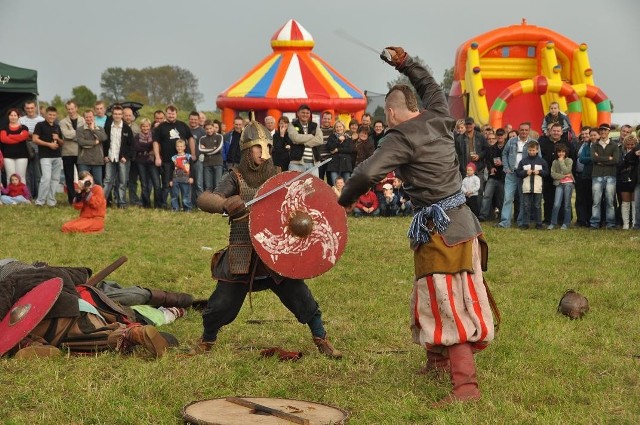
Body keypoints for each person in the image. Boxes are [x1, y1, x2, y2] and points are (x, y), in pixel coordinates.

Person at [338, 47, 494, 406]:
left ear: (391, 112)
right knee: (434, 296)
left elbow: (367, 173)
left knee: (450, 303)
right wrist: (405, 62)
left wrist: (344, 200)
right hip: (460, 223)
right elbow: (428, 85)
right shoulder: (439, 114)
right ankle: (438, 363)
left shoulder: (399, 136)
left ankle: (465, 388)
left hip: (442, 231)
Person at [195, 121, 341, 358]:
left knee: (301, 298)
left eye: (267, 148)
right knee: (221, 305)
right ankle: (207, 340)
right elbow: (204, 198)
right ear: (246, 150)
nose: (264, 154)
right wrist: (224, 203)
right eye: (257, 148)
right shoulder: (235, 177)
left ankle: (321, 337)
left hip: (275, 251)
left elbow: (301, 201)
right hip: (243, 251)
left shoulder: (278, 176)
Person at [0, 259, 183, 358]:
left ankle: (32, 345)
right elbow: (83, 272)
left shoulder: (9, 283)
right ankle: (132, 334)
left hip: (37, 321)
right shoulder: (54, 272)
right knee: (92, 333)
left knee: (27, 335)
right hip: (75, 308)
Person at [152, 105, 194, 208]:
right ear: (166, 114)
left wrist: (193, 154)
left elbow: (191, 139)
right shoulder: (161, 127)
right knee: (168, 183)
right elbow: (156, 142)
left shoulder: (183, 125)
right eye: (169, 113)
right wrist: (157, 157)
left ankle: (185, 205)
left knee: (184, 183)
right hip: (167, 161)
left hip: (183, 161)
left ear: (176, 114)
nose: (171, 115)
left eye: (173, 113)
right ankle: (166, 204)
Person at [496, 122, 535, 228]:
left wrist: (532, 171)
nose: (524, 132)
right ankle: (505, 222)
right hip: (511, 173)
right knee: (508, 198)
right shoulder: (511, 141)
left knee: (523, 199)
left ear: (529, 130)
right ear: (519, 130)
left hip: (525, 175)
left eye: (526, 130)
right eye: (522, 130)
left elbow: (538, 158)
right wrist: (506, 168)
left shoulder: (533, 142)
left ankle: (521, 221)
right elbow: (504, 153)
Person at [539, 122, 576, 225]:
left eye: (558, 131)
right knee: (548, 198)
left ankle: (563, 219)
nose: (555, 133)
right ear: (550, 131)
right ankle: (548, 219)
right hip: (547, 176)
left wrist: (570, 173)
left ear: (561, 132)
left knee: (564, 199)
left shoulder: (567, 144)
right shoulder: (543, 143)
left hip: (563, 177)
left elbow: (572, 158)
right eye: (554, 131)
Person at [103, 105, 134, 209]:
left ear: (122, 115)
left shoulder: (127, 129)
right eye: (115, 114)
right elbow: (104, 143)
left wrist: (126, 156)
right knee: (108, 181)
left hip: (122, 159)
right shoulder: (107, 127)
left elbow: (132, 145)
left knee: (122, 181)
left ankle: (122, 203)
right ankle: (102, 202)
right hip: (110, 158)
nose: (117, 116)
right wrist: (105, 155)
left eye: (119, 114)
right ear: (112, 114)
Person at [32, 106, 63, 207]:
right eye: (50, 114)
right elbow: (35, 139)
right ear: (45, 115)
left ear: (56, 115)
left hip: (57, 156)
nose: (52, 117)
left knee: (55, 179)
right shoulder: (40, 125)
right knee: (46, 178)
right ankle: (40, 201)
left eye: (54, 115)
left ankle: (51, 201)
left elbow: (62, 143)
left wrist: (58, 138)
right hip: (45, 156)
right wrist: (49, 144)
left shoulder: (57, 126)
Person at [590, 123, 619, 229]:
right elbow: (594, 159)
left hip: (610, 175)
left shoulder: (614, 145)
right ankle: (595, 223)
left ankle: (610, 223)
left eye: (605, 130)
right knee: (596, 201)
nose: (603, 132)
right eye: (601, 130)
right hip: (597, 175)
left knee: (610, 201)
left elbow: (616, 160)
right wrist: (608, 158)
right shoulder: (594, 145)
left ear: (608, 132)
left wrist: (601, 160)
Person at [515, 141, 548, 229]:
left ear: (537, 150)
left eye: (533, 150)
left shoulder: (541, 161)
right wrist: (525, 172)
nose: (531, 152)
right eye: (530, 150)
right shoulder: (523, 161)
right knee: (526, 205)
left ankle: (539, 223)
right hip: (526, 187)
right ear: (527, 150)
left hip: (538, 187)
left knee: (537, 205)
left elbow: (546, 173)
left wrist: (540, 172)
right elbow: (518, 172)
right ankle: (525, 223)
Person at [59, 101, 85, 205]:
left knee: (82, 177)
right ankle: (71, 199)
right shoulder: (62, 122)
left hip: (81, 152)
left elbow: (85, 136)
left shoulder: (83, 120)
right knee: (69, 177)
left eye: (72, 108)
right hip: (68, 153)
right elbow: (66, 135)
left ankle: (81, 198)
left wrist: (74, 135)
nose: (70, 111)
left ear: (76, 108)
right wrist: (78, 134)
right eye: (68, 109)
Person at [287, 104, 324, 177]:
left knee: (313, 187)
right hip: (296, 163)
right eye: (303, 112)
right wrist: (311, 136)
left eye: (307, 113)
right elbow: (295, 138)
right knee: (296, 186)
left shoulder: (315, 125)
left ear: (310, 114)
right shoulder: (292, 124)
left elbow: (320, 140)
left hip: (313, 164)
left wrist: (304, 143)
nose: (305, 114)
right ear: (298, 113)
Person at [19, 100, 44, 199]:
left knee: (38, 174)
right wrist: (34, 135)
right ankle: (28, 195)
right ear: (25, 109)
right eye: (28, 108)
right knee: (27, 174)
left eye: (32, 108)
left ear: (35, 108)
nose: (30, 110)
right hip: (25, 149)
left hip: (39, 149)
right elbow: (21, 135)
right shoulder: (21, 120)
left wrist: (28, 134)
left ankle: (39, 195)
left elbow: (42, 136)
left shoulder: (41, 120)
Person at [133, 118, 161, 208]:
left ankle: (158, 204)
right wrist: (149, 148)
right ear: (141, 127)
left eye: (147, 126)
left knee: (156, 183)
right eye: (143, 126)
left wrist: (149, 148)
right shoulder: (137, 136)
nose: (145, 128)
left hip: (151, 161)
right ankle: (146, 204)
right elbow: (137, 147)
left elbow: (156, 145)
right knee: (144, 184)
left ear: (150, 126)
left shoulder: (154, 135)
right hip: (141, 162)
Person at [478, 129, 505, 221]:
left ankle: (502, 215)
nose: (500, 136)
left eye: (501, 135)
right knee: (487, 196)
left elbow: (510, 160)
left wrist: (502, 163)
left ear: (504, 136)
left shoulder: (507, 147)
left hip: (503, 176)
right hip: (493, 175)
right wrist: (491, 168)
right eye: (498, 135)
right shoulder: (492, 148)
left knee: (501, 198)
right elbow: (488, 161)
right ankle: (483, 215)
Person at [76, 110, 107, 186]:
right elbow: (81, 142)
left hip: (97, 160)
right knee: (83, 183)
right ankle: (83, 198)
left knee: (98, 183)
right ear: (84, 118)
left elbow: (103, 138)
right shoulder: (80, 129)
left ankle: (97, 198)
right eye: (87, 117)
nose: (89, 119)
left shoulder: (100, 128)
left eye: (90, 117)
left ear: (94, 117)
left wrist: (93, 129)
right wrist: (94, 142)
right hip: (84, 161)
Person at [1, 108, 30, 185]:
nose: (13, 117)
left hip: (22, 156)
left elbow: (24, 136)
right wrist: (18, 138)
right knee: (10, 177)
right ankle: (11, 196)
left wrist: (10, 136)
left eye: (15, 115)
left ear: (18, 116)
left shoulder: (24, 127)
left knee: (21, 177)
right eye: (11, 115)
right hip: (8, 156)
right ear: (8, 116)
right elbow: (3, 139)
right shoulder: (4, 128)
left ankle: (23, 196)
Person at [547, 145, 574, 230]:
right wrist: (564, 176)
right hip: (559, 184)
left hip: (568, 184)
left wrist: (562, 161)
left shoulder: (569, 160)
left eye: (563, 151)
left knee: (567, 204)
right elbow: (553, 174)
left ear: (566, 152)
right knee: (556, 204)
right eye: (559, 152)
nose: (561, 153)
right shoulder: (554, 162)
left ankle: (566, 223)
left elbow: (567, 170)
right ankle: (553, 223)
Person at [617, 134, 639, 229]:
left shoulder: (637, 153)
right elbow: (619, 165)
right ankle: (625, 224)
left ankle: (635, 223)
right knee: (625, 202)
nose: (630, 146)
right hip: (623, 179)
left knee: (635, 203)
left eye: (632, 144)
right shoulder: (620, 152)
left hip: (635, 179)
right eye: (628, 144)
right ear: (625, 144)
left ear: (635, 144)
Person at [574, 127, 594, 227]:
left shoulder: (593, 145)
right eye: (583, 134)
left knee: (589, 198)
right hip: (579, 174)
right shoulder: (579, 144)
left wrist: (586, 159)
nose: (585, 136)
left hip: (590, 175)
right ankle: (581, 220)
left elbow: (591, 159)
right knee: (579, 199)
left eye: (587, 134)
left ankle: (589, 219)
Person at [199, 120, 224, 192]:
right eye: (207, 129)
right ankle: (208, 202)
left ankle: (217, 202)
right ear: (204, 129)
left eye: (210, 128)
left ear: (213, 128)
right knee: (208, 186)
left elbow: (218, 149)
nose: (209, 130)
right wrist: (212, 149)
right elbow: (200, 150)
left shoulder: (219, 136)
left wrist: (206, 150)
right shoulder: (202, 139)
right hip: (206, 164)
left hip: (218, 163)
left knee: (217, 185)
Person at [169, 139, 193, 212]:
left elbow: (192, 168)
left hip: (186, 179)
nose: (179, 148)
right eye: (178, 146)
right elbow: (170, 169)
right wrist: (170, 180)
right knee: (174, 195)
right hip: (175, 179)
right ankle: (175, 208)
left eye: (181, 146)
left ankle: (187, 208)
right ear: (176, 147)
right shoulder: (173, 158)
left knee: (186, 195)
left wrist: (191, 177)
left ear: (184, 147)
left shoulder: (188, 157)